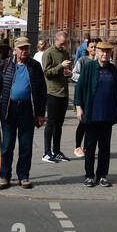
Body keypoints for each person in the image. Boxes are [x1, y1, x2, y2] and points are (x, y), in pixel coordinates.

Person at [0, 36, 47, 189]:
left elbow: (42, 91)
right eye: (21, 48)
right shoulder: (5, 65)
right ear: (14, 50)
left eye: (26, 48)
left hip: (28, 110)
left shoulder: (35, 66)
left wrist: (41, 114)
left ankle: (23, 176)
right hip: (8, 110)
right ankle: (4, 176)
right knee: (7, 145)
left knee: (26, 146)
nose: (24, 51)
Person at [72, 41, 117, 187]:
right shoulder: (89, 67)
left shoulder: (112, 69)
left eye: (107, 51)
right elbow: (79, 88)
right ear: (97, 52)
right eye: (102, 51)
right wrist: (79, 108)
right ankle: (89, 175)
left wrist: (116, 110)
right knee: (90, 146)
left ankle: (102, 175)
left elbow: (116, 91)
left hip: (107, 115)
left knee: (105, 148)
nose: (105, 54)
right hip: (92, 114)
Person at [40, 31, 72, 163]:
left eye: (65, 43)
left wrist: (68, 73)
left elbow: (63, 71)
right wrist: (61, 66)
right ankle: (46, 152)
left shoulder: (65, 53)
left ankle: (57, 151)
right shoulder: (48, 53)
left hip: (64, 92)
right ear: (55, 40)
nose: (64, 46)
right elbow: (46, 73)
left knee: (59, 124)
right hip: (52, 92)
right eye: (62, 43)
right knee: (51, 123)